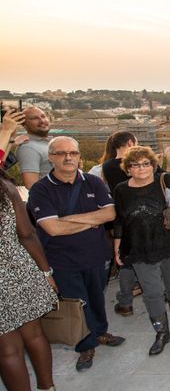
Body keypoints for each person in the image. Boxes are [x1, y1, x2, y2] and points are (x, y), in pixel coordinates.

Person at [27, 136, 125, 372]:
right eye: (61, 153)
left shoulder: (93, 182)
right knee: (76, 303)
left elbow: (110, 214)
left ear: (80, 156)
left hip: (96, 254)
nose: (68, 157)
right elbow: (51, 228)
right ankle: (85, 345)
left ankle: (100, 332)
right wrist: (90, 220)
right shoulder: (41, 189)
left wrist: (67, 220)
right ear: (51, 158)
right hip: (62, 259)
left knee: (96, 297)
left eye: (72, 153)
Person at [112, 146, 170, 355]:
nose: (141, 168)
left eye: (145, 163)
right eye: (135, 164)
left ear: (153, 164)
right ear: (127, 168)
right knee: (152, 292)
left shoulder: (165, 180)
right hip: (139, 248)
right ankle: (162, 331)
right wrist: (117, 247)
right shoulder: (121, 190)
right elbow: (119, 221)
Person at [102, 131, 170, 316]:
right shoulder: (142, 167)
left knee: (126, 262)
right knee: (154, 261)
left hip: (125, 221)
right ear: (130, 142)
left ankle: (125, 301)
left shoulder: (107, 166)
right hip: (147, 221)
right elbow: (169, 180)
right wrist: (164, 161)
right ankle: (163, 294)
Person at [0, 167, 58, 391]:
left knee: (8, 350)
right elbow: (26, 234)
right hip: (20, 270)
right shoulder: (6, 187)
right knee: (35, 335)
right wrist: (46, 272)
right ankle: (48, 387)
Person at [16, 107, 52, 189]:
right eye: (34, 118)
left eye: (43, 116)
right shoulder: (28, 148)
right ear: (24, 124)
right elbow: (31, 185)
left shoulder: (51, 143)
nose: (42, 121)